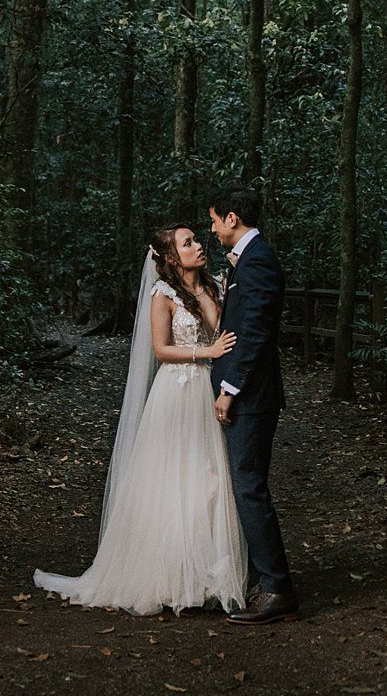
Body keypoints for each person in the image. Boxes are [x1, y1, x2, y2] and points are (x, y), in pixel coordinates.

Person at [33, 223, 249, 615]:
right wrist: (207, 353)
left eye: (197, 239)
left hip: (208, 390)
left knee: (210, 479)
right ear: (169, 257)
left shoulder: (215, 283)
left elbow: (222, 332)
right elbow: (162, 349)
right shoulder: (162, 294)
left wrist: (203, 294)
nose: (199, 245)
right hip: (176, 392)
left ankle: (206, 575)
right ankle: (167, 577)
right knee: (171, 481)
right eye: (188, 243)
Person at [207, 183, 297, 623]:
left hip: (252, 396)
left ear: (231, 218)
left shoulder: (258, 259)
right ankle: (263, 579)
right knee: (245, 486)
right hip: (251, 393)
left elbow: (256, 333)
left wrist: (231, 389)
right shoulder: (250, 259)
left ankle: (277, 588)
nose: (212, 228)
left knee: (249, 487)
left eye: (214, 219)